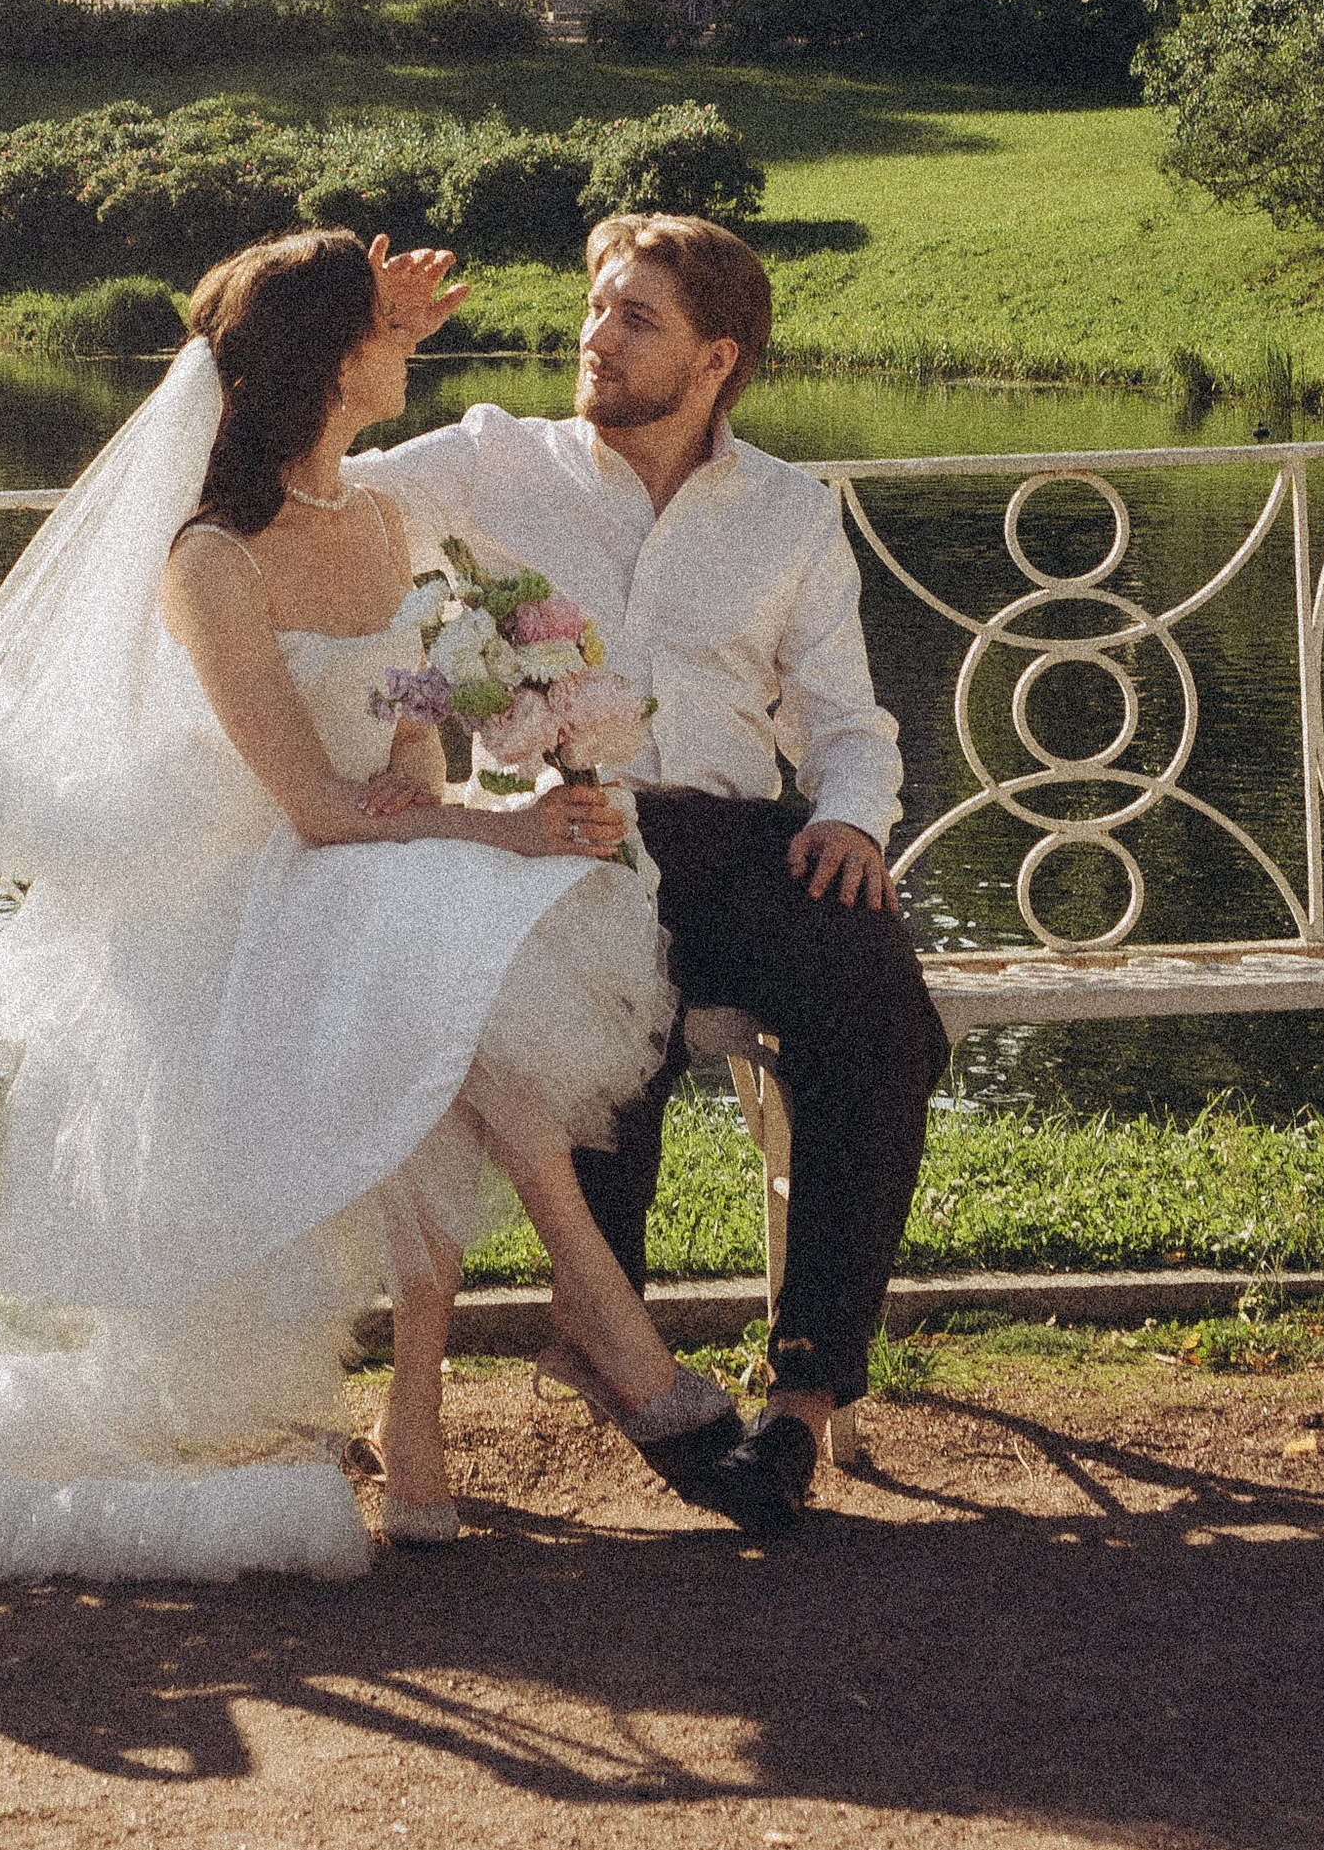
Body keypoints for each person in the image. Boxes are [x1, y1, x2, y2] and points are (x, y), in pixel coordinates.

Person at [0, 229, 739, 1580]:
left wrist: (491, 804)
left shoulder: (384, 523)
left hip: (362, 868)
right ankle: (587, 1333)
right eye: (382, 333)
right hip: (232, 899)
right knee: (444, 962)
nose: (410, 346)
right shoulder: (209, 558)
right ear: (333, 364)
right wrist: (496, 831)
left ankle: (437, 1407)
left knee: (449, 953)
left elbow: (406, 748)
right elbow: (311, 805)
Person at [366, 216, 949, 1532]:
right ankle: (605, 1327)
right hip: (559, 842)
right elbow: (310, 495)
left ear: (715, 358)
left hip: (737, 843)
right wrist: (375, 343)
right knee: (600, 1009)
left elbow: (845, 725)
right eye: (597, 307)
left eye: (637, 320)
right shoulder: (491, 460)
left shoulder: (790, 511)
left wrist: (853, 821)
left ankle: (802, 1400)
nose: (597, 337)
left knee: (880, 1011)